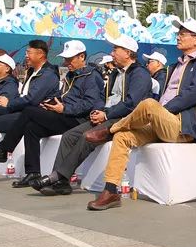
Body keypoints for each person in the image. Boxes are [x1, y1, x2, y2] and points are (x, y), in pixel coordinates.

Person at [82, 18, 196, 211]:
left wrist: (161, 111)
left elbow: (193, 94)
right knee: (122, 137)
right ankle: (111, 191)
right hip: (165, 122)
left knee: (148, 104)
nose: (178, 37)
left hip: (185, 126)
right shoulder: (175, 65)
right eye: (178, 33)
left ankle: (109, 130)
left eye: (183, 34)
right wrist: (158, 114)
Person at [0, 41, 101, 184]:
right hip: (64, 114)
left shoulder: (91, 76)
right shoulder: (71, 75)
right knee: (31, 128)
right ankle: (33, 172)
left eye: (69, 59)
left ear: (82, 57)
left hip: (77, 120)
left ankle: (3, 149)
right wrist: (51, 104)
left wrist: (64, 109)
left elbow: (89, 104)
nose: (66, 62)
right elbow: (63, 97)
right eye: (65, 58)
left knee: (29, 111)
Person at [31, 35, 154, 195]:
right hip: (108, 115)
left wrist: (106, 115)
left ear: (128, 53)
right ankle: (62, 183)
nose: (112, 53)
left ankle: (57, 177)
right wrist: (98, 111)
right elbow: (103, 98)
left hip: (124, 119)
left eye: (115, 49)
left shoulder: (140, 74)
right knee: (69, 136)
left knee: (88, 136)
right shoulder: (115, 73)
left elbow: (131, 104)